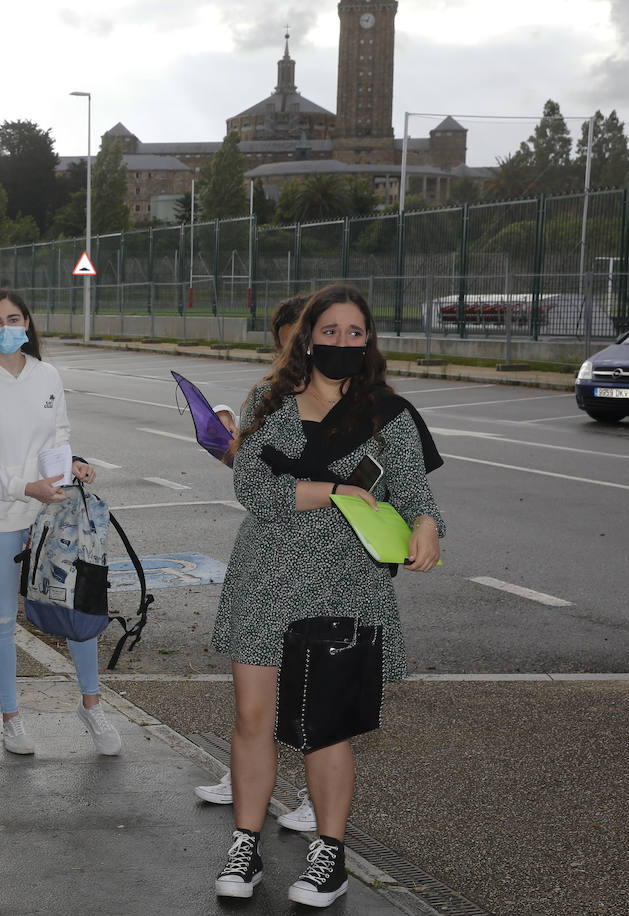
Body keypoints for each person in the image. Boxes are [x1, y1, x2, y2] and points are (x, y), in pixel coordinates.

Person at [210, 283, 444, 907]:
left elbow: (417, 497)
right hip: (266, 578)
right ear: (308, 336)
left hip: (346, 587)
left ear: (369, 341)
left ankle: (328, 856)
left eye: (355, 333)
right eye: (331, 331)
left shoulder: (387, 413)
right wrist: (333, 492)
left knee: (327, 727)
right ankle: (245, 843)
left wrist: (427, 526)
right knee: (253, 718)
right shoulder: (269, 398)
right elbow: (252, 488)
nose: (342, 342)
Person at [0, 288, 120, 757]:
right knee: (4, 618)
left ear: (28, 323)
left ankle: (91, 705)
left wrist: (73, 465)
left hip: (53, 514)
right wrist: (27, 487)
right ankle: (12, 719)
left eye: (14, 318)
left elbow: (58, 436)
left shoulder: (47, 375)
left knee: (77, 606)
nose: (7, 328)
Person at [198, 292, 315, 831]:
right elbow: (256, 482)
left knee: (314, 685)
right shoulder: (265, 398)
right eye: (290, 342)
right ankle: (245, 778)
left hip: (325, 562)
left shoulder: (357, 402)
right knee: (254, 696)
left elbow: (388, 483)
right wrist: (231, 447)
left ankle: (319, 795)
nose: (304, 350)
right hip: (266, 561)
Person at [212, 294, 311, 442]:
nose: (295, 358)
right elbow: (253, 433)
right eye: (285, 351)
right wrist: (225, 416)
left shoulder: (348, 395)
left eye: (303, 347)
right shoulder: (269, 392)